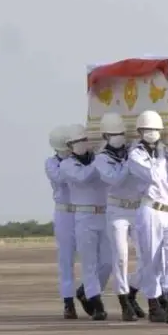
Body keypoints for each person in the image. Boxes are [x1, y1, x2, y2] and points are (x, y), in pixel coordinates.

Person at [125, 110, 168, 324]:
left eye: (156, 130)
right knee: (151, 260)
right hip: (150, 210)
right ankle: (153, 303)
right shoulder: (135, 155)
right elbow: (153, 176)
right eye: (148, 130)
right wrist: (164, 156)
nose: (152, 133)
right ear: (140, 131)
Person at [93, 112, 146, 321]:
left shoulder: (134, 150)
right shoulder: (101, 159)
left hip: (137, 208)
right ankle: (124, 301)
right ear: (105, 136)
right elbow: (114, 179)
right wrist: (129, 161)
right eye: (114, 134)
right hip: (117, 211)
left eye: (121, 133)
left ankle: (133, 290)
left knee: (147, 256)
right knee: (121, 257)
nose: (119, 137)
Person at [59, 124, 112, 321]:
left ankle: (86, 291)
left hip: (104, 214)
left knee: (108, 262)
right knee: (89, 263)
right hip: (83, 216)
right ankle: (97, 303)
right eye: (75, 142)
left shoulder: (98, 159)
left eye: (83, 140)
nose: (80, 144)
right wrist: (99, 160)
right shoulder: (66, 165)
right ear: (69, 146)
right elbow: (83, 177)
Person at [46, 124, 80, 320]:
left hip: (84, 211)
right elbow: (61, 179)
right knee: (66, 260)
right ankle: (68, 302)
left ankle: (88, 294)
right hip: (65, 213)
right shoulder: (51, 163)